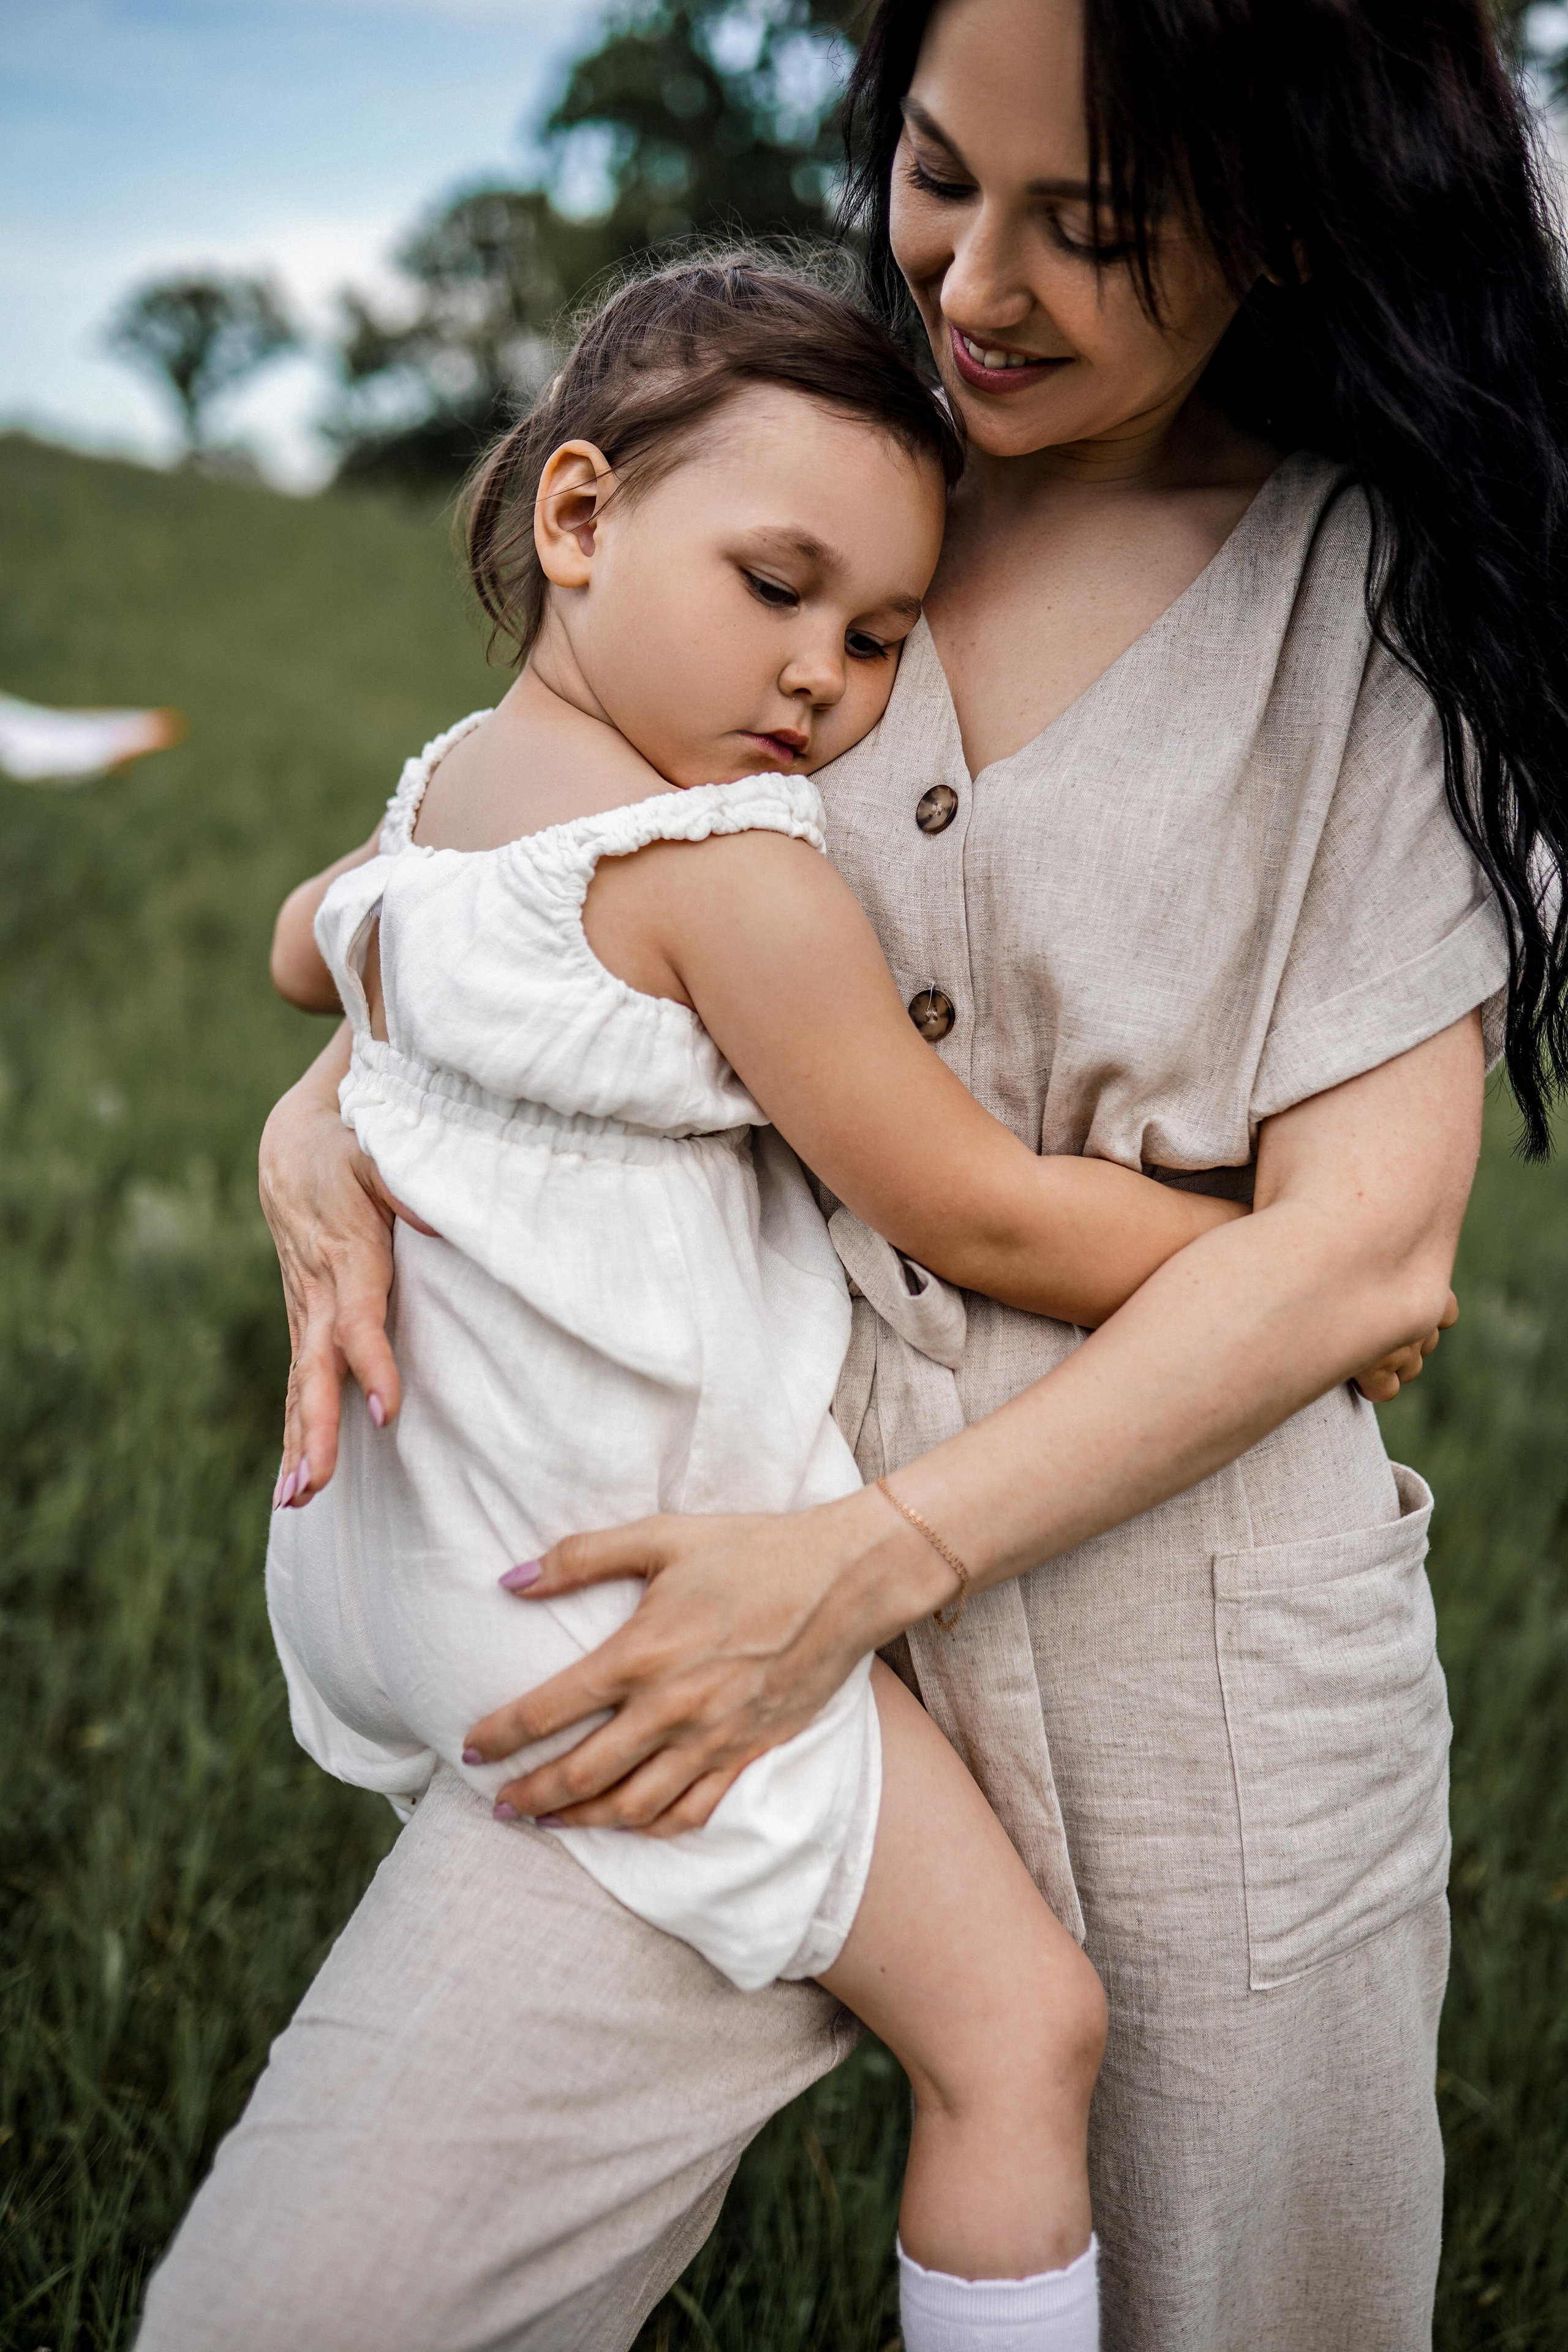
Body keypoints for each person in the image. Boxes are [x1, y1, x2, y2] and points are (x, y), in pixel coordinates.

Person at [150, 0, 1568, 2345]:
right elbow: (497, 922)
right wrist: (321, 1119)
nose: (975, 284)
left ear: (1289, 230)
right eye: (935, 172)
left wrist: (862, 1561)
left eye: (1090, 229)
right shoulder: (814, 478)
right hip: (685, 1625)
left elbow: (1367, 1254)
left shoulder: (1386, 603)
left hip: (1193, 1667)